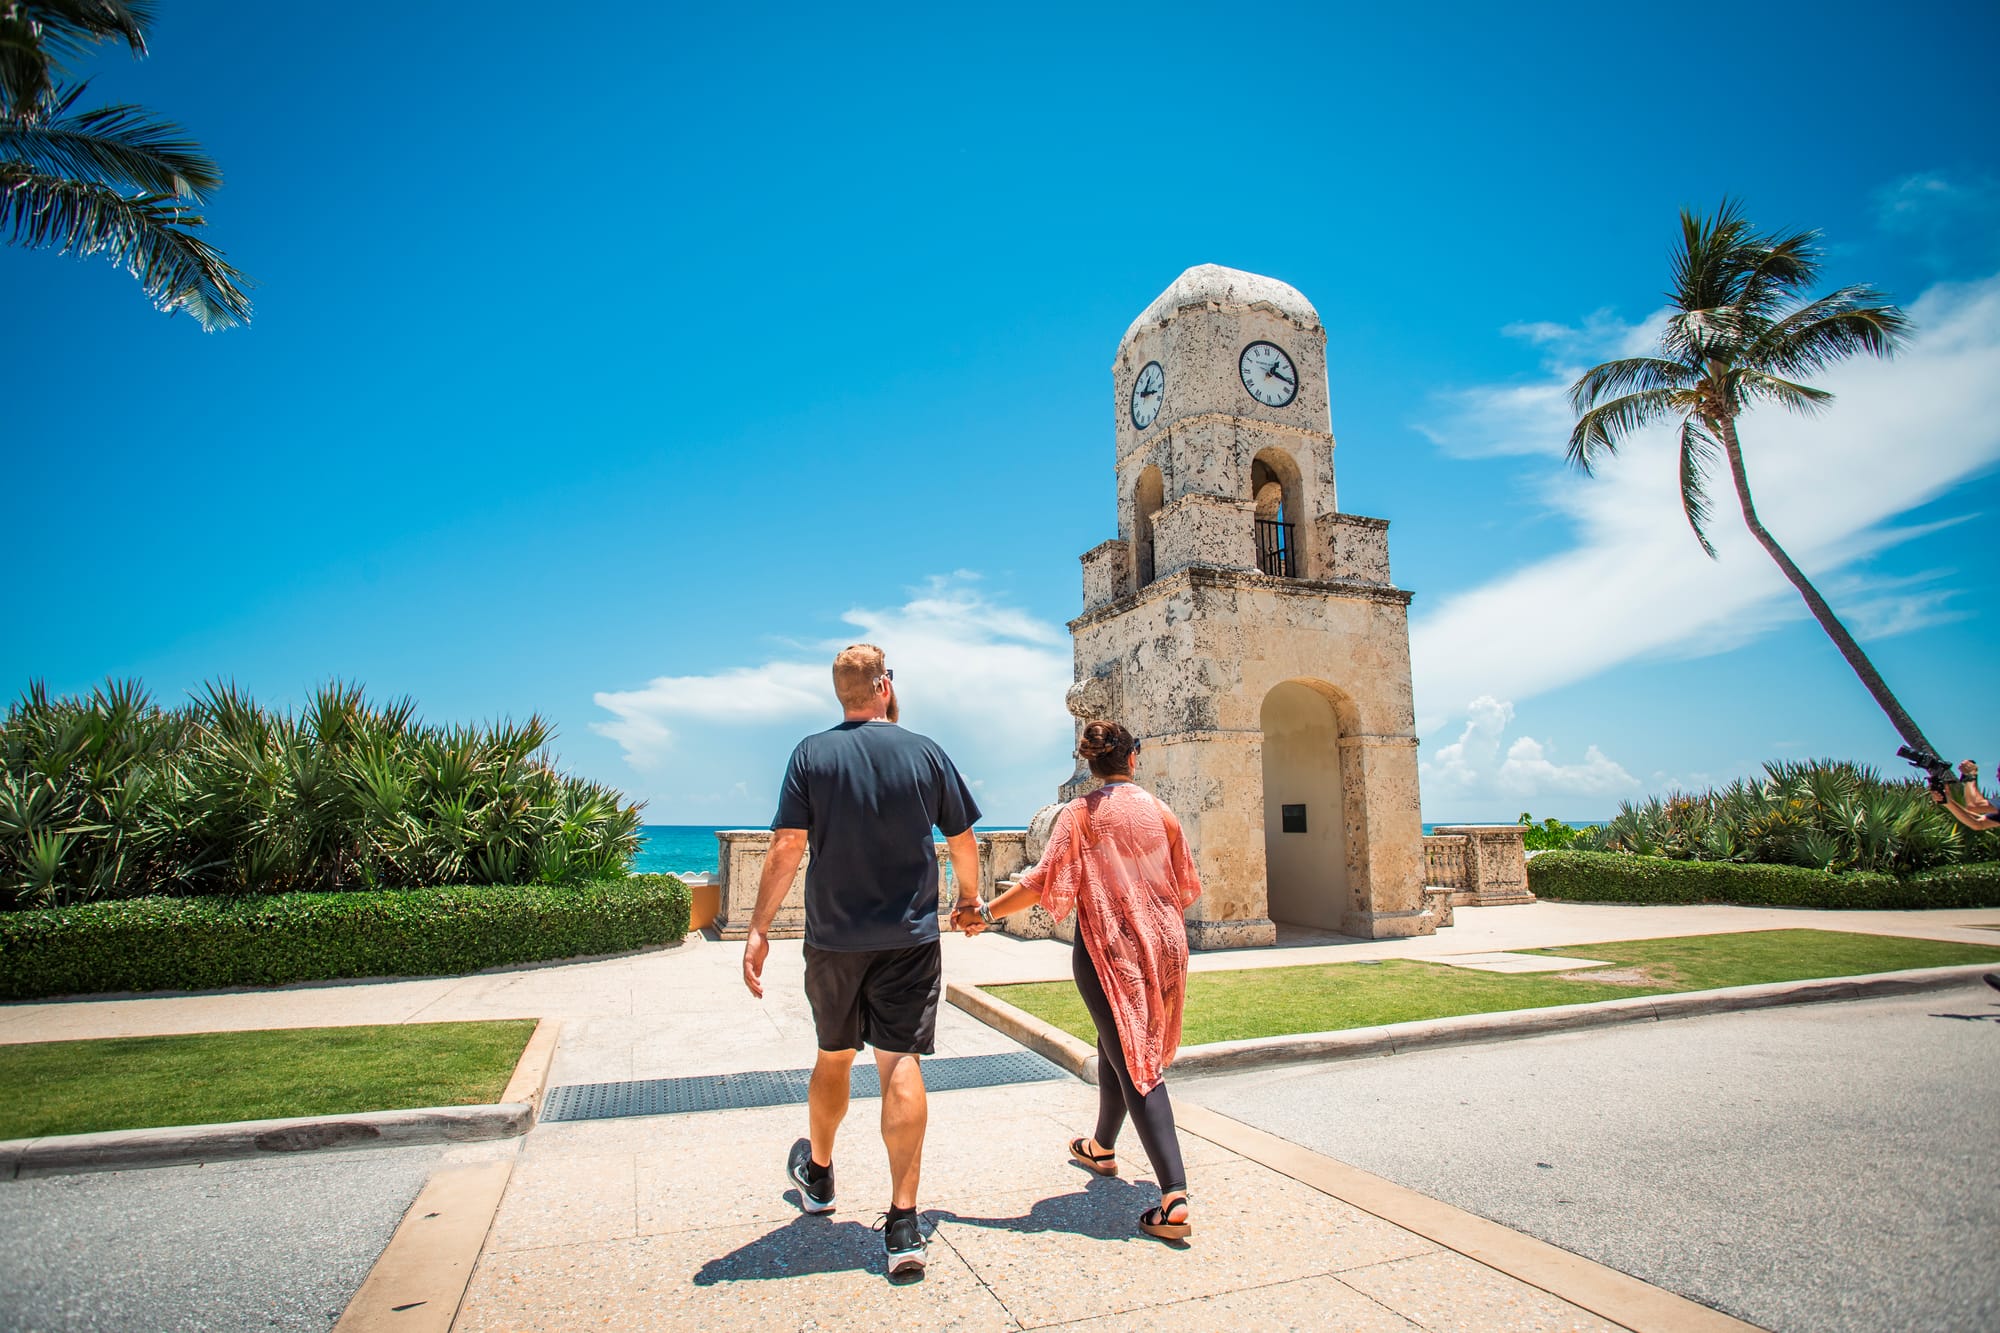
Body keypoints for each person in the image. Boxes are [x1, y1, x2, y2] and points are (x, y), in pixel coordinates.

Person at [741, 643, 982, 1277]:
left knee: (833, 1055)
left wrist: (758, 928)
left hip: (832, 941)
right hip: (908, 938)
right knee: (898, 1061)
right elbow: (960, 839)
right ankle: (904, 1223)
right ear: (883, 685)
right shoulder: (924, 751)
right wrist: (968, 899)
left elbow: (788, 844)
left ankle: (819, 1177)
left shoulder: (811, 753)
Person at [956, 720, 1200, 1241]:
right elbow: (1184, 883)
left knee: (1134, 1056)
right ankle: (1102, 1147)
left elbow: (1043, 881)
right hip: (1167, 944)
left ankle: (1174, 1193)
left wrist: (987, 913)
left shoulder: (1081, 813)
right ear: (1132, 759)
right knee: (1115, 1042)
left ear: (1091, 765)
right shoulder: (1160, 812)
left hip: (1111, 947)